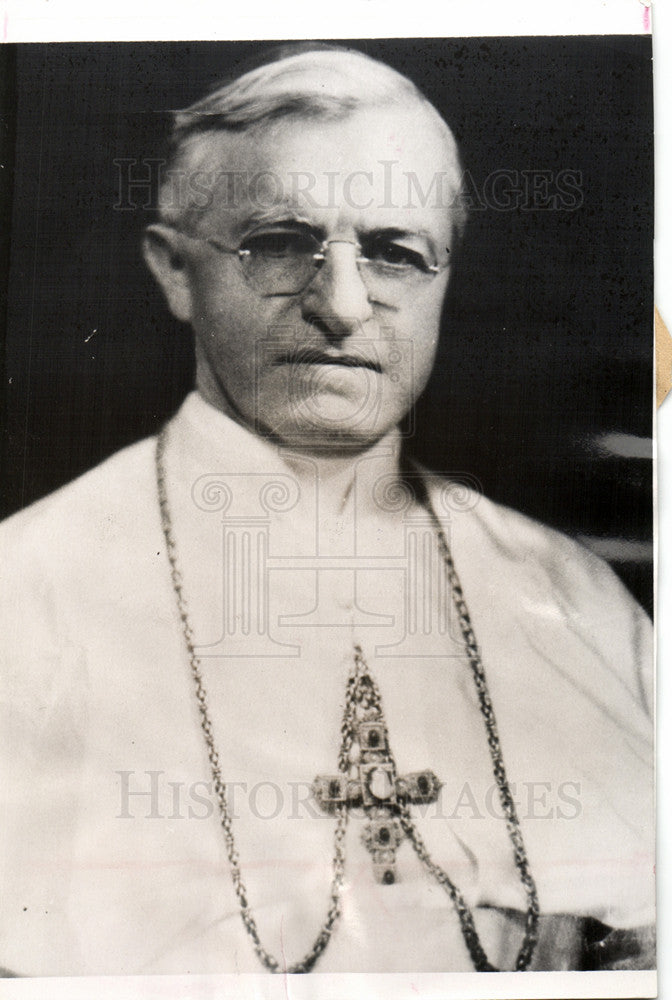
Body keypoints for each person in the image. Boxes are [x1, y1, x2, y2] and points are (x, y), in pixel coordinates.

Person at [0, 43, 654, 976]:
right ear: (175, 271)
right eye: (278, 244)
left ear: (446, 280)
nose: (343, 306)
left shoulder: (578, 602)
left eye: (394, 252)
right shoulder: (23, 596)